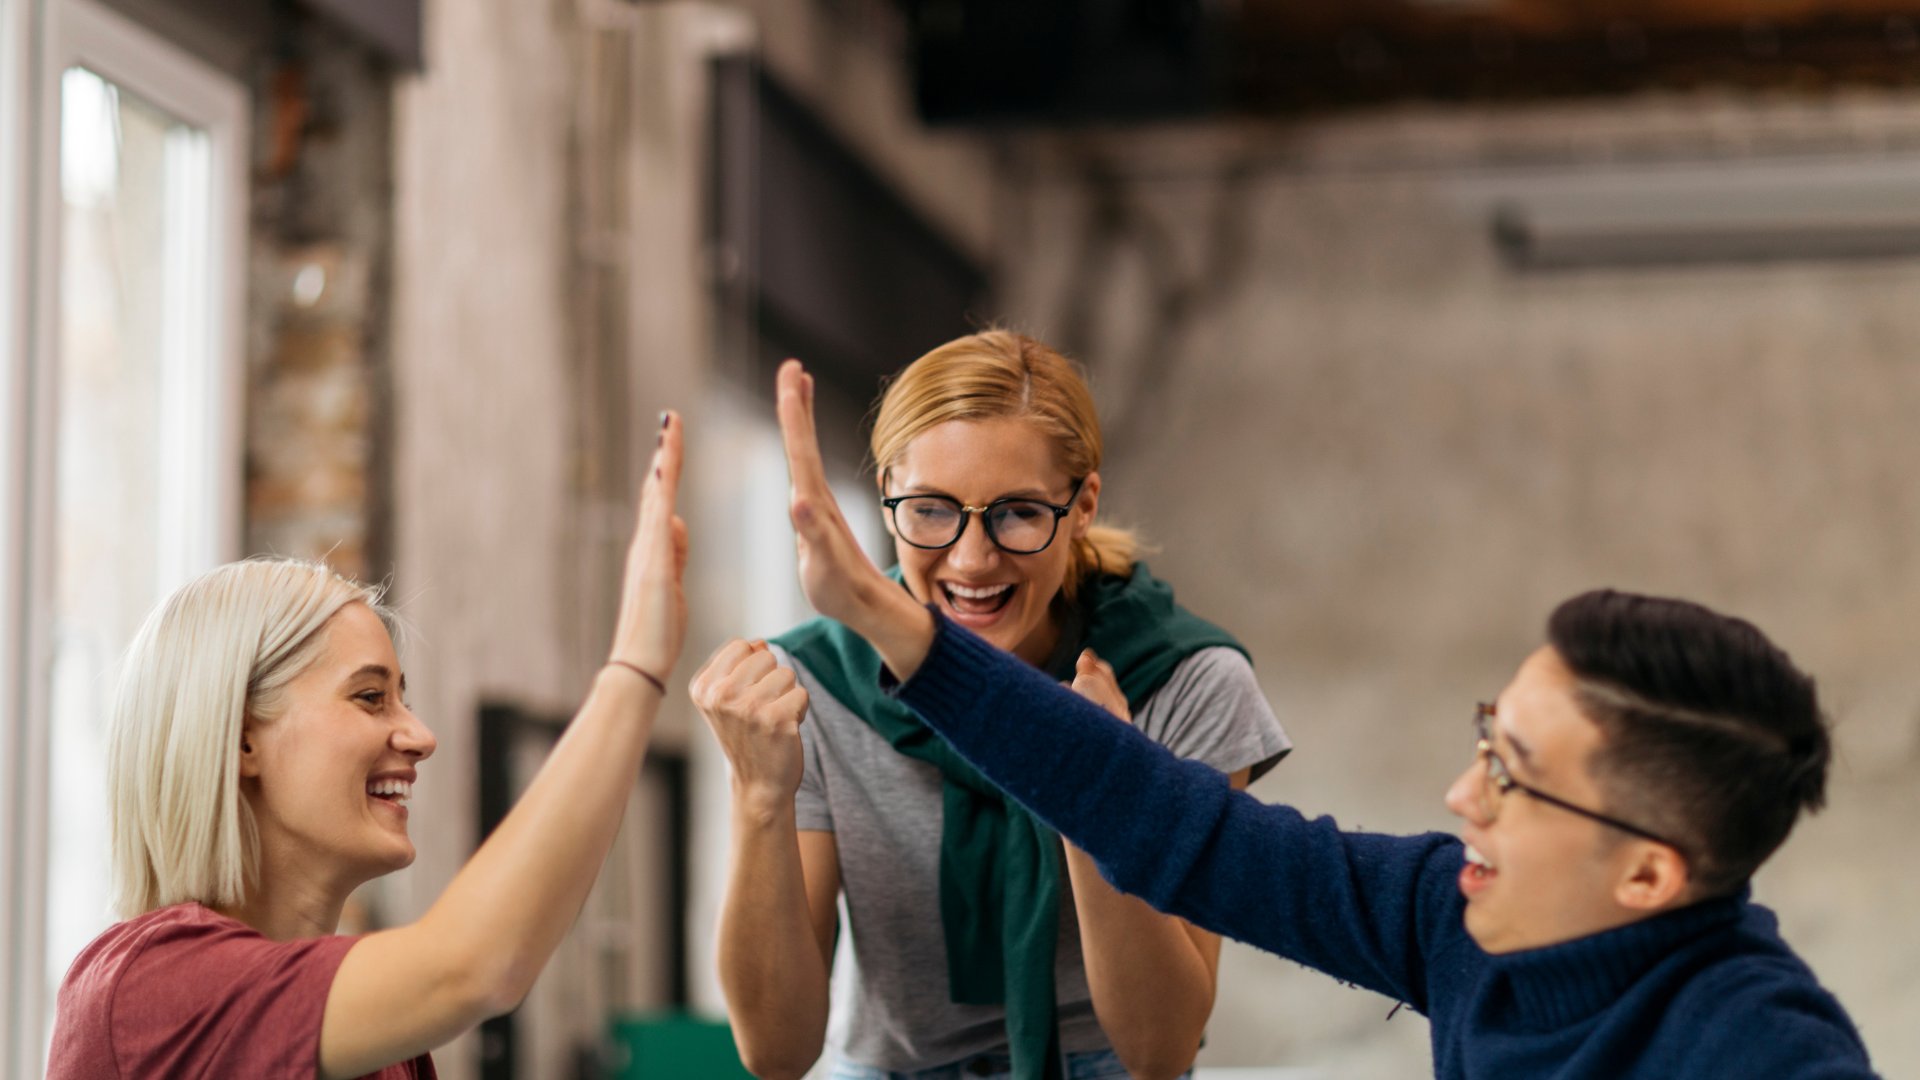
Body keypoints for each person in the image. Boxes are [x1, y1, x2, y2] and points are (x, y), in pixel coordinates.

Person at [769, 357, 1880, 1079]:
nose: (1462, 795)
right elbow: (1173, 825)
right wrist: (887, 623)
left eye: (1514, 775)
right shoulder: (1447, 919)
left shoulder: (1760, 1047)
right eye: (1487, 741)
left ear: (1648, 875)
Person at [692, 333, 1290, 1080]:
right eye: (932, 510)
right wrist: (757, 799)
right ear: (885, 496)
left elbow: (1160, 1051)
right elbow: (776, 1053)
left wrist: (1093, 781)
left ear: (1082, 505)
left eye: (1016, 513)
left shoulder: (1184, 680)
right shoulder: (809, 686)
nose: (972, 559)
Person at [48, 415, 689, 1079]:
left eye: (402, 698)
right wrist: (636, 667)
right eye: (368, 697)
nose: (419, 736)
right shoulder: (147, 988)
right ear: (241, 739)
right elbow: (475, 968)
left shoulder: (381, 1044)